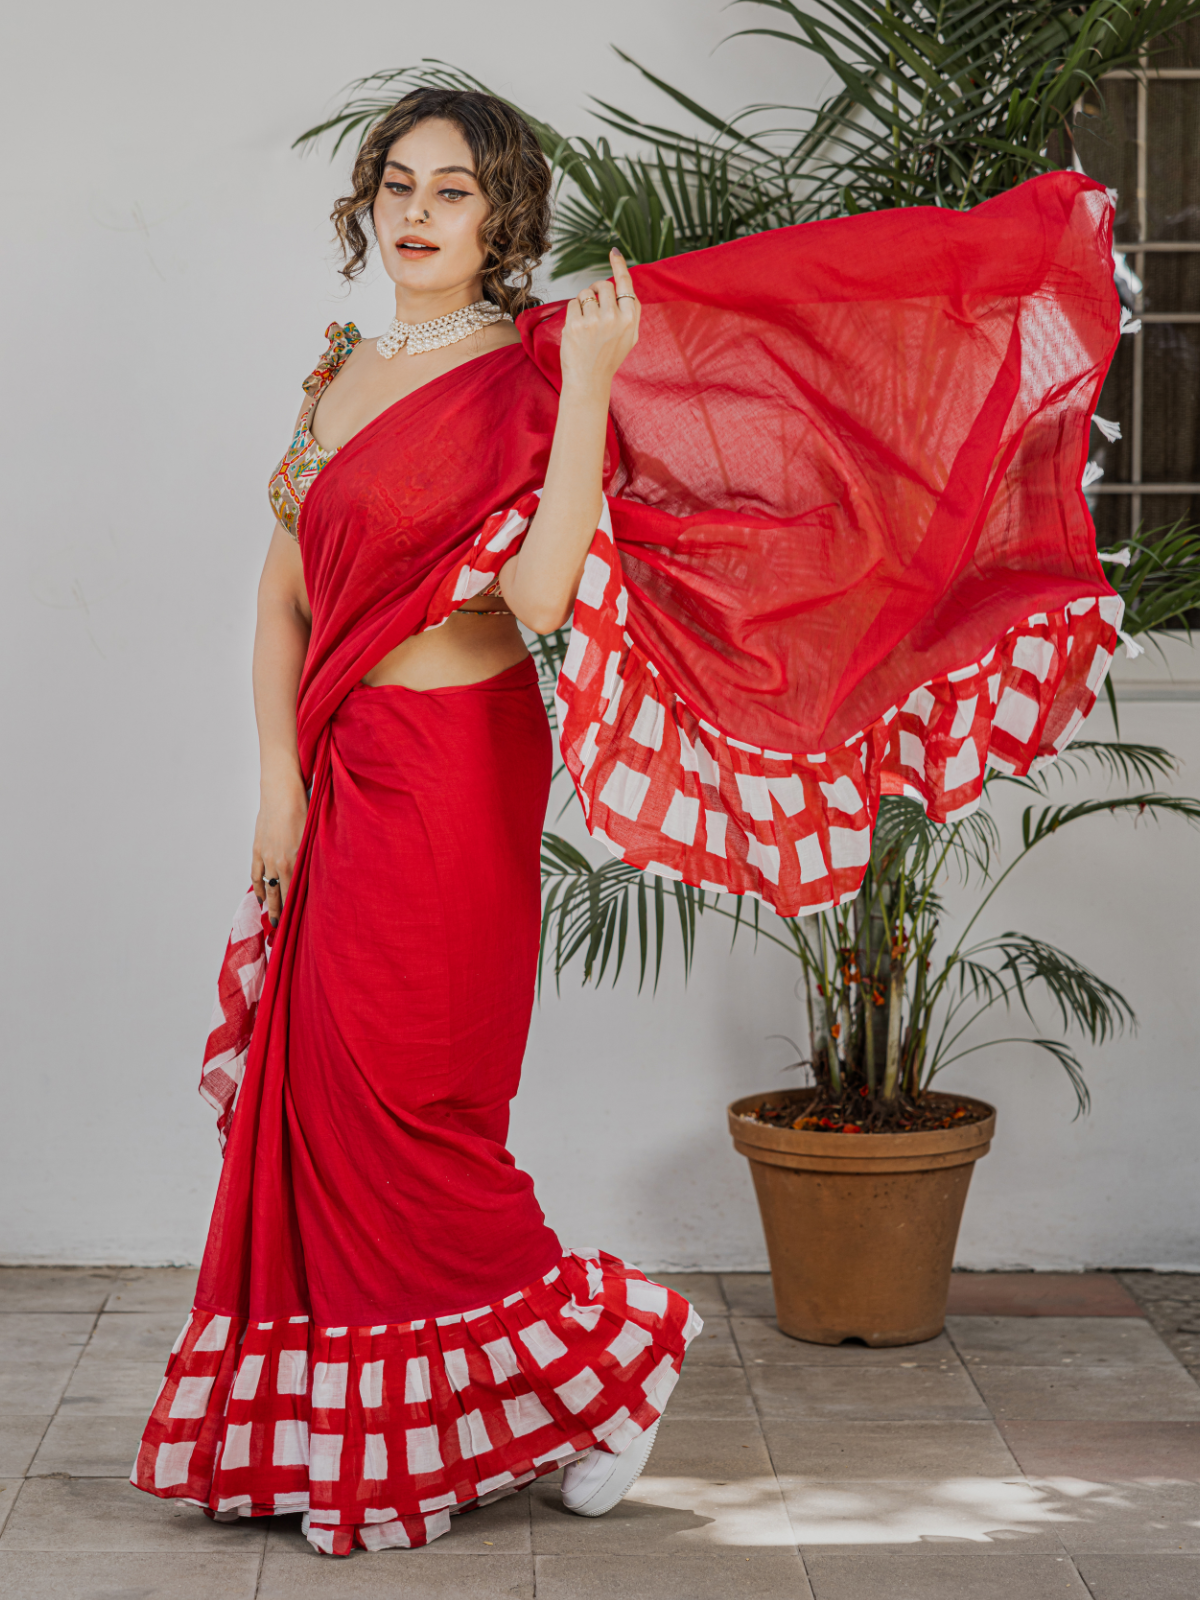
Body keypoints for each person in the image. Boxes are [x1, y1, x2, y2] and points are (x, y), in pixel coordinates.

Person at [132, 88, 1123, 1556]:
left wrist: (592, 379)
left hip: (457, 768)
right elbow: (283, 593)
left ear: (502, 219)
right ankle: (367, 1429)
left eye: (453, 191)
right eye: (398, 184)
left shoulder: (524, 380)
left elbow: (536, 602)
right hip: (342, 766)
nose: (416, 212)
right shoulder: (337, 369)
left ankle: (609, 1376)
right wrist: (275, 781)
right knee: (327, 1098)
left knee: (419, 1106)